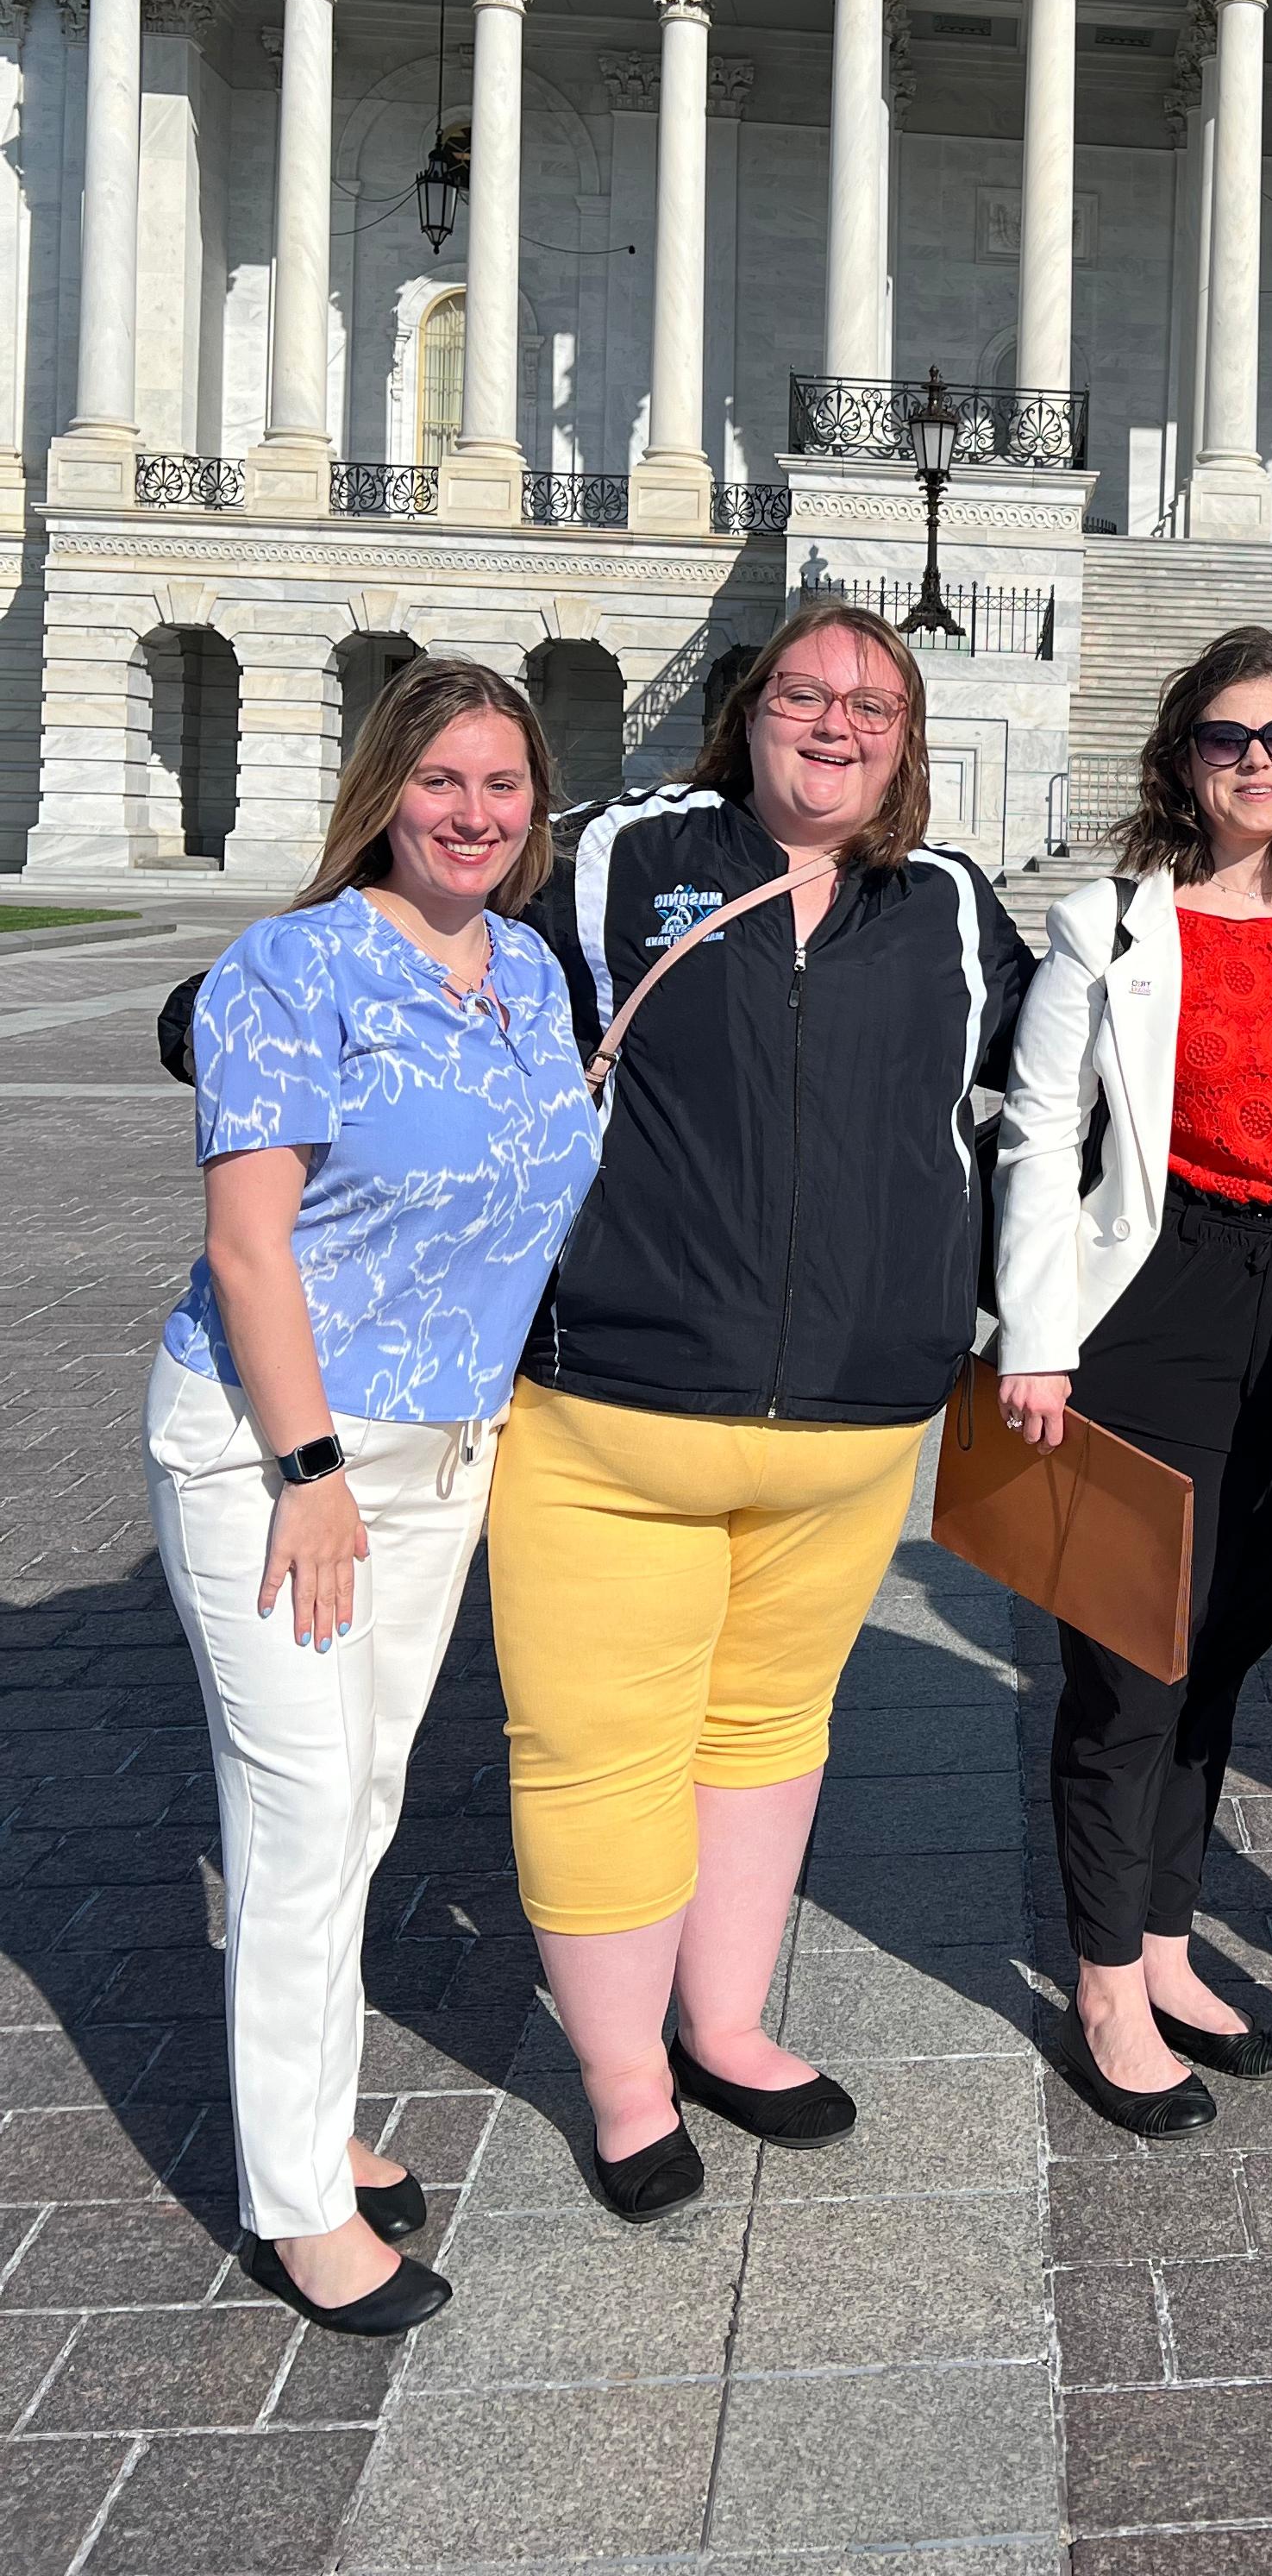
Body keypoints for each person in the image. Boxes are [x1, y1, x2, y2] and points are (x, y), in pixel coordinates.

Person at [489, 599, 1032, 2220]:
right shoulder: (621, 855)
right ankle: (622, 2078)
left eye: (872, 702)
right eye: (805, 691)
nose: (837, 722)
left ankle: (720, 2020)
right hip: (616, 1408)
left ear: (908, 738)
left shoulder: (943, 902)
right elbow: (429, 914)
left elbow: (1084, 1070)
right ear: (748, 711)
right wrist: (249, 1024)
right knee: (597, 1749)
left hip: (856, 1425)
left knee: (765, 1732)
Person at [147, 662, 598, 2335]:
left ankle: (311, 2114)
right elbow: (248, 1246)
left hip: (442, 1456)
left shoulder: (530, 971)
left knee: (363, 1802)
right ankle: (296, 2208)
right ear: (383, 793)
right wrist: (311, 1469)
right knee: (300, 1807)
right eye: (443, 784)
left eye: (504, 786)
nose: (476, 815)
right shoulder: (296, 967)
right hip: (282, 1452)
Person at [995, 628, 1272, 2133]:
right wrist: (1035, 1334)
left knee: (1222, 1643)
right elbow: (1039, 1129)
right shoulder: (1104, 917)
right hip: (1150, 1295)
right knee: (1128, 1657)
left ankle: (1164, 1938)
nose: (1255, 762)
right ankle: (1102, 1974)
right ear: (1180, 756)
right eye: (1226, 736)